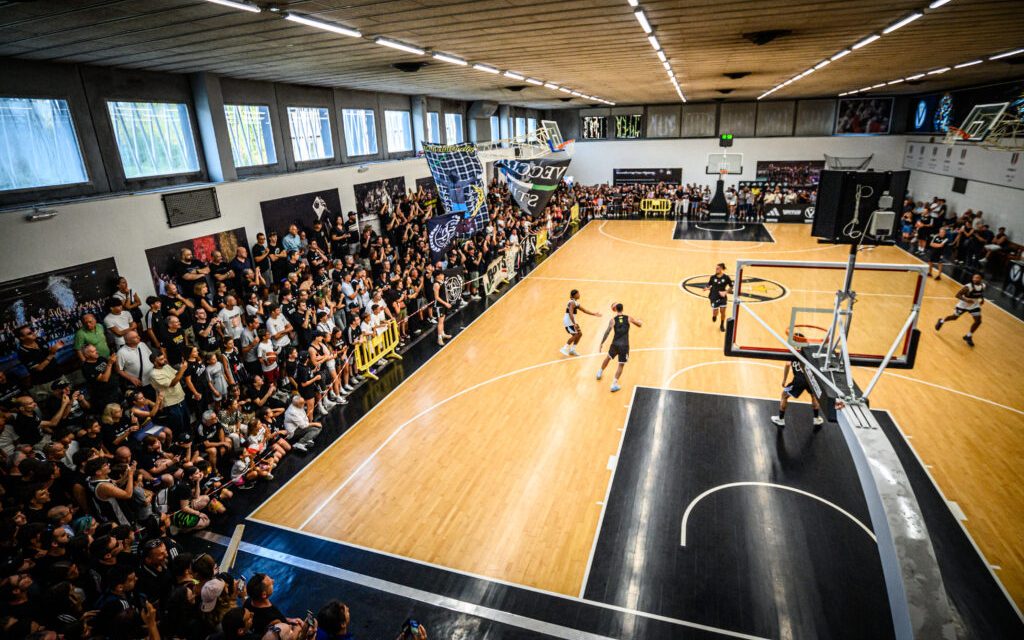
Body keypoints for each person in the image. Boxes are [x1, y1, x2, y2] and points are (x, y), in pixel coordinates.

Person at [597, 303, 643, 393]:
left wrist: (602, 343)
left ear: (615, 310)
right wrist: (640, 321)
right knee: (621, 365)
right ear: (622, 309)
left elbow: (607, 332)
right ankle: (614, 384)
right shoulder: (628, 318)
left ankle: (600, 372)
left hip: (615, 344)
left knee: (608, 358)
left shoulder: (612, 320)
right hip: (624, 345)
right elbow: (639, 325)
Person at [770, 356, 824, 427]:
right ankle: (816, 419)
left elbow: (787, 364)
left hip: (799, 380)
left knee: (784, 395)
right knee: (813, 396)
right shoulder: (805, 352)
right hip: (810, 379)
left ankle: (780, 419)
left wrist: (784, 380)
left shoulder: (793, 353)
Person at [935, 273, 986, 347]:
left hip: (974, 305)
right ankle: (941, 321)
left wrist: (982, 299)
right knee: (954, 317)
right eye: (974, 277)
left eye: (977, 278)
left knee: (978, 321)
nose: (975, 279)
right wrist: (966, 300)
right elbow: (957, 295)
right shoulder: (968, 287)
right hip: (963, 305)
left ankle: (968, 336)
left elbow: (980, 293)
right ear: (972, 278)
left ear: (981, 279)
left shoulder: (983, 286)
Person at [560, 289, 601, 357]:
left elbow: (584, 310)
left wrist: (594, 314)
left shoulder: (575, 303)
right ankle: (565, 348)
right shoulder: (572, 303)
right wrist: (574, 323)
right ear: (575, 295)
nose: (579, 295)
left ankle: (572, 350)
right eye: (578, 294)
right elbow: (570, 313)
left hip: (572, 321)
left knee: (579, 334)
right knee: (576, 335)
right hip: (569, 321)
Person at [702, 263, 733, 332]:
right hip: (714, 296)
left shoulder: (726, 277)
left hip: (722, 297)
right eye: (716, 268)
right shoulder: (713, 277)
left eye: (718, 268)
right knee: (715, 312)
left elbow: (731, 286)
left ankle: (722, 325)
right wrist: (706, 287)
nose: (716, 270)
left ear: (721, 269)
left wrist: (725, 292)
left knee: (723, 311)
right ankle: (714, 316)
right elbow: (709, 284)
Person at [432, 271, 453, 346]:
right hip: (439, 306)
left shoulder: (442, 282)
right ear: (437, 276)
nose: (443, 275)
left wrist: (447, 300)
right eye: (441, 274)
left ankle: (443, 334)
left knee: (442, 320)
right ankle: (439, 338)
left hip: (443, 305)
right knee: (440, 322)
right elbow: (436, 297)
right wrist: (445, 303)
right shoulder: (436, 284)